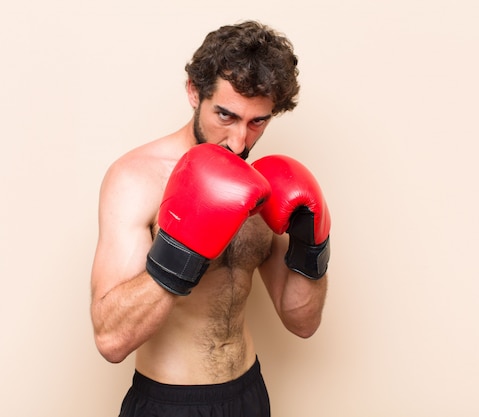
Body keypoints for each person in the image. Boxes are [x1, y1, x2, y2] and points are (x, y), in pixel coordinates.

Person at [90, 20, 331, 417]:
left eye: (258, 122)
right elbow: (111, 340)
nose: (239, 142)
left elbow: (301, 322)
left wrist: (312, 246)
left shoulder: (265, 185)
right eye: (226, 115)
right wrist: (183, 246)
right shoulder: (137, 179)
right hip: (171, 404)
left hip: (249, 394)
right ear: (193, 91)